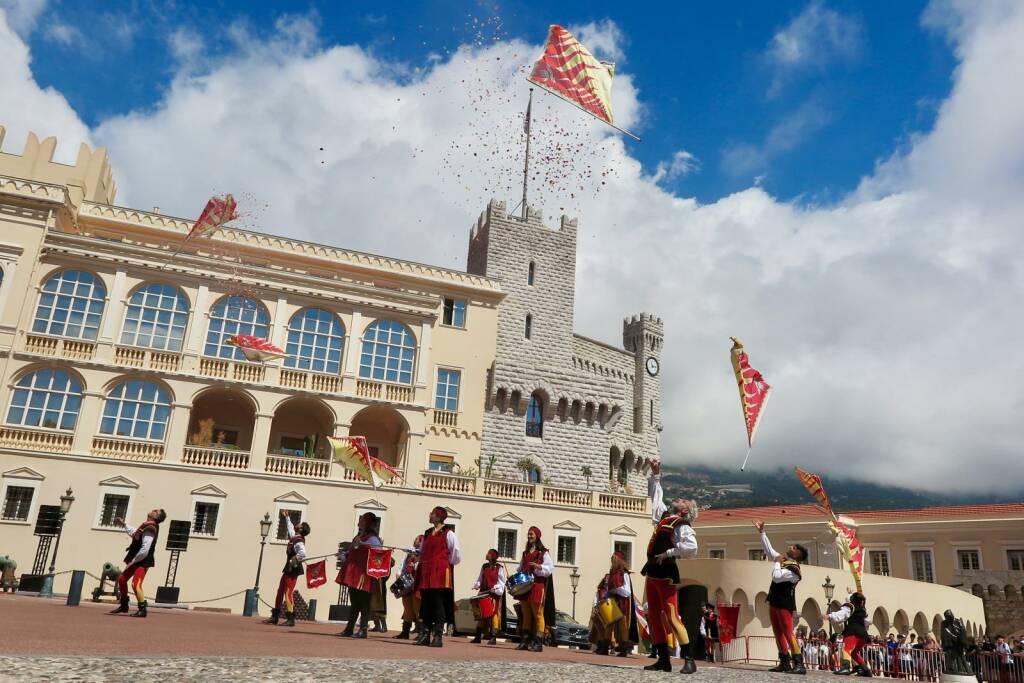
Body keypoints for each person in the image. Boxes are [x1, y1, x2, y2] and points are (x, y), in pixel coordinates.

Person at [640, 499, 700, 674]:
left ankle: (689, 660)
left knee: (672, 616)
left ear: (684, 511)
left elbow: (692, 548)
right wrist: (656, 476)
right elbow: (656, 499)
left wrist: (668, 553)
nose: (681, 499)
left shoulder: (682, 524)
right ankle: (663, 660)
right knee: (653, 617)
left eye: (685, 501)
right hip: (652, 571)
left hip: (666, 573)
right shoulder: (665, 517)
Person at [753, 519, 809, 674]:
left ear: (797, 553)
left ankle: (799, 663)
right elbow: (769, 550)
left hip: (785, 603)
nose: (790, 548)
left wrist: (777, 562)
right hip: (775, 600)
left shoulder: (794, 569)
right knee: (777, 632)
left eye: (793, 547)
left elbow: (777, 577)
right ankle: (784, 661)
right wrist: (762, 532)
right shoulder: (784, 560)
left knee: (788, 632)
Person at [414, 506, 461, 648]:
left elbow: (456, 554)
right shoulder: (427, 533)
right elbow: (422, 551)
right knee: (426, 603)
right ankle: (426, 634)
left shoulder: (448, 533)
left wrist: (445, 563)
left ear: (439, 517)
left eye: (432, 514)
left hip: (440, 571)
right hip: (426, 571)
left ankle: (438, 635)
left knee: (438, 603)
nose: (430, 515)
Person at [109, 508, 166, 618]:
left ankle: (142, 609)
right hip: (138, 558)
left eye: (156, 511)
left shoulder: (151, 528)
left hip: (143, 560)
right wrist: (124, 524)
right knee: (122, 579)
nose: (153, 510)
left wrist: (133, 561)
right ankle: (124, 606)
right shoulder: (146, 525)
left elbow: (145, 549)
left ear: (156, 517)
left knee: (136, 584)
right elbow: (135, 534)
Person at [338, 512, 382, 638]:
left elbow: (377, 550)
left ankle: (363, 629)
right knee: (354, 602)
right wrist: (344, 556)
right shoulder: (359, 536)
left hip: (364, 574)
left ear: (367, 522)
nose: (360, 521)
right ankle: (349, 628)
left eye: (362, 519)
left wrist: (363, 545)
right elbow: (352, 550)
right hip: (354, 572)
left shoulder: (372, 537)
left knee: (363, 602)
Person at [262, 510, 309, 627]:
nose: (298, 524)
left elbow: (303, 554)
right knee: (280, 591)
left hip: (293, 568)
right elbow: (290, 528)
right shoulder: (295, 537)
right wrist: (287, 517)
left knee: (288, 593)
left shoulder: (298, 541)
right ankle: (275, 616)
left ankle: (290, 618)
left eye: (300, 524)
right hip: (288, 567)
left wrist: (294, 560)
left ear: (301, 529)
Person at [513, 526, 555, 653]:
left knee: (538, 614)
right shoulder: (525, 553)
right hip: (525, 586)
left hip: (537, 586)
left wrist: (538, 566)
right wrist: (514, 576)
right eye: (528, 534)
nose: (529, 536)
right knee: (526, 614)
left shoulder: (543, 552)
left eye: (531, 534)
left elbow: (549, 569)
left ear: (537, 536)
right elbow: (520, 569)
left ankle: (538, 643)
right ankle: (525, 641)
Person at [592, 551, 639, 657]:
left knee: (623, 626)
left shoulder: (625, 573)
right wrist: (607, 595)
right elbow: (609, 588)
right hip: (613, 602)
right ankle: (604, 647)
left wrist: (616, 590)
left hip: (622, 603)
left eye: (614, 559)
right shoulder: (612, 572)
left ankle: (624, 649)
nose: (612, 561)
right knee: (609, 625)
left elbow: (627, 592)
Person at [829, 591, 872, 677]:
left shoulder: (850, 606)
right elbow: (868, 621)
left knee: (846, 649)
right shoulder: (863, 609)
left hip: (853, 632)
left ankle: (845, 668)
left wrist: (830, 616)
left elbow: (842, 615)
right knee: (854, 653)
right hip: (863, 635)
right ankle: (866, 670)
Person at [470, 548, 506, 645]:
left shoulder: (499, 568)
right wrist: (477, 585)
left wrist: (496, 588)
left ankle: (493, 637)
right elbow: (480, 578)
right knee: (481, 614)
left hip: (492, 594)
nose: (487, 554)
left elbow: (501, 582)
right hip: (483, 593)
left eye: (489, 553)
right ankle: (477, 636)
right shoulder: (484, 566)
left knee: (493, 614)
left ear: (493, 556)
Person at [393, 535, 423, 640]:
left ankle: (421, 633)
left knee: (417, 609)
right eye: (415, 539)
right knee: (407, 609)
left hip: (416, 585)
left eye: (418, 540)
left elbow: (419, 567)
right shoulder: (409, 554)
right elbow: (402, 566)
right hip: (406, 584)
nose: (416, 541)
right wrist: (399, 575)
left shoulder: (422, 555)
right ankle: (405, 632)